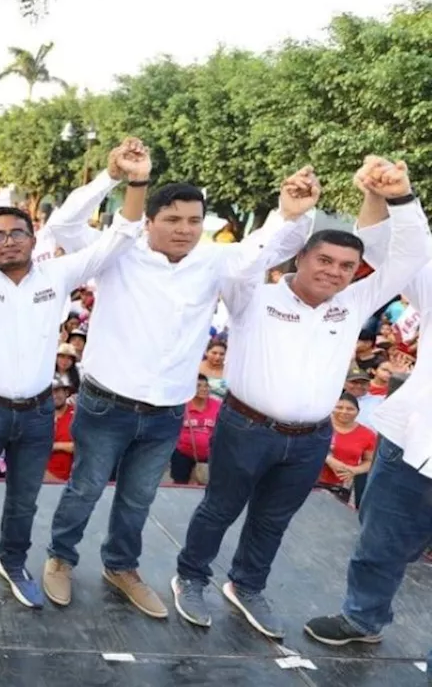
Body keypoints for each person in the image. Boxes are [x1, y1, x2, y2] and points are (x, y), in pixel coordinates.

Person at [38, 158, 319, 618]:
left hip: (167, 410)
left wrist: (294, 212)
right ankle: (60, 558)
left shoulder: (215, 261)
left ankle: (121, 567)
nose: (184, 229)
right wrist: (112, 177)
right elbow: (64, 223)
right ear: (148, 222)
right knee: (85, 487)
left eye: (193, 220)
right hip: (106, 404)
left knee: (138, 498)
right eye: (171, 219)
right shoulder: (117, 252)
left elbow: (269, 249)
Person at [171, 157, 431, 637]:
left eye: (346, 267)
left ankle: (247, 586)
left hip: (311, 438)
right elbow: (244, 261)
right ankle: (190, 577)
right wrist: (288, 216)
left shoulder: (353, 302)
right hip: (245, 428)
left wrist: (400, 197)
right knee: (219, 510)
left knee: (273, 521)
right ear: (301, 259)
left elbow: (413, 257)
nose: (334, 273)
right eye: (324, 261)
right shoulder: (254, 295)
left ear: (356, 274)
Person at [0, 142, 149, 605]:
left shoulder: (57, 276)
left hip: (35, 414)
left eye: (18, 232)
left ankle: (12, 561)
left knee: (25, 500)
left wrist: (129, 180)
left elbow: (122, 236)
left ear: (35, 240)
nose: (8, 240)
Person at [303, 169, 432, 651]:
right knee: (379, 541)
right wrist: (381, 195)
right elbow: (384, 252)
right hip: (414, 442)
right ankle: (362, 618)